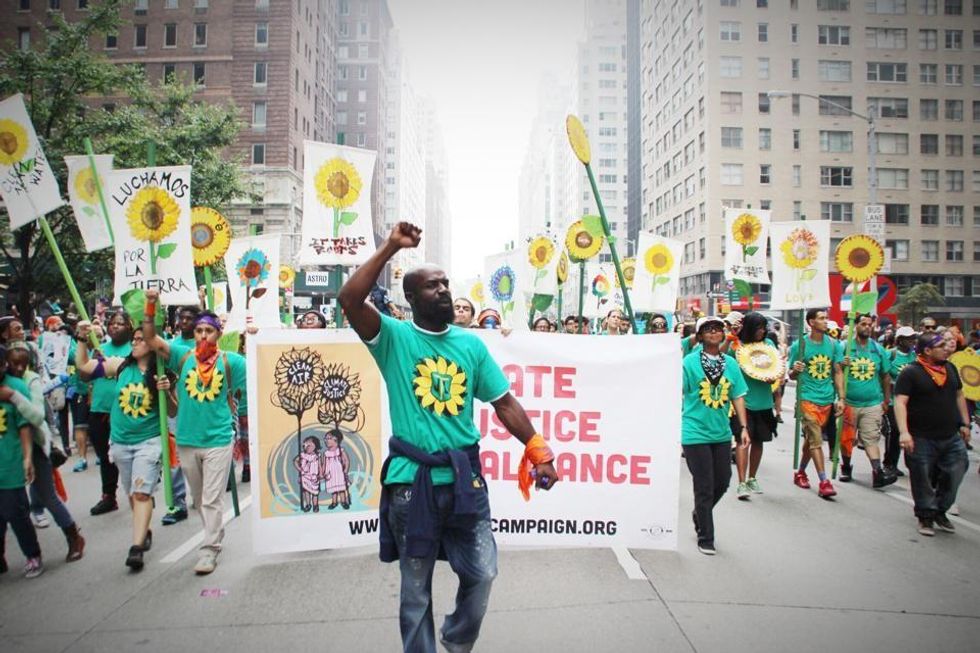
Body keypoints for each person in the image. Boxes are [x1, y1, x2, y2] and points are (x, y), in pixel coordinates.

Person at [338, 222, 558, 653]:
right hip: (410, 486)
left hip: (464, 482)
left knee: (482, 574)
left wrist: (538, 450)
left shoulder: (471, 346)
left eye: (446, 283)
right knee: (415, 589)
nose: (443, 291)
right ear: (411, 298)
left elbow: (505, 404)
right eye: (431, 285)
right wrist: (389, 247)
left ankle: (456, 643)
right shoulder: (393, 338)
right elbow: (349, 299)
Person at [141, 292, 247, 575]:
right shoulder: (181, 355)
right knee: (200, 500)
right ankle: (215, 533)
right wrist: (151, 305)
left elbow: (258, 378)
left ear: (218, 334)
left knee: (212, 500)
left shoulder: (232, 362)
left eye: (208, 331)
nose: (202, 335)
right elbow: (150, 338)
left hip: (219, 439)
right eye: (199, 330)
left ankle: (209, 549)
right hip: (187, 439)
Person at [76, 322, 171, 570]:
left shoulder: (162, 371)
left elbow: (173, 410)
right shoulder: (119, 366)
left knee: (141, 494)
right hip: (119, 443)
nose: (136, 342)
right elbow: (84, 367)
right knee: (133, 494)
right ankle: (144, 529)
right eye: (135, 339)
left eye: (141, 339)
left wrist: (166, 392)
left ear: (152, 344)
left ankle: (136, 547)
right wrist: (81, 339)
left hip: (148, 443)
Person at [4, 343, 85, 563]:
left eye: (24, 363)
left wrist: (13, 396)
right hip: (7, 448)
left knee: (48, 496)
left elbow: (37, 416)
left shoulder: (29, 381)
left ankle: (74, 537)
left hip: (36, 446)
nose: (19, 368)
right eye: (14, 364)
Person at [682, 316, 749, 555]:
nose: (713, 332)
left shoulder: (730, 364)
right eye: (708, 329)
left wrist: (743, 427)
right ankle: (706, 537)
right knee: (704, 485)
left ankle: (700, 512)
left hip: (721, 433)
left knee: (723, 481)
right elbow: (677, 391)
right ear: (699, 336)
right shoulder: (689, 362)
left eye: (718, 329)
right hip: (694, 432)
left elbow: (738, 395)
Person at [894, 333, 971, 536]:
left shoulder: (951, 369)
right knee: (922, 479)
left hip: (950, 435)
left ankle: (940, 509)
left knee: (957, 471)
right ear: (927, 351)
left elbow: (959, 395)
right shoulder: (911, 372)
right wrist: (904, 433)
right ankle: (926, 517)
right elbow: (900, 403)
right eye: (941, 345)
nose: (947, 348)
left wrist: (965, 423)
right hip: (921, 437)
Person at [788, 309, 844, 499]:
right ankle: (824, 481)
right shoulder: (799, 345)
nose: (825, 321)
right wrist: (795, 370)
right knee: (816, 440)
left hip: (826, 399)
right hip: (806, 398)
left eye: (826, 318)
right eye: (821, 318)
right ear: (811, 322)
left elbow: (837, 372)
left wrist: (841, 398)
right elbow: (791, 374)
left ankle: (801, 472)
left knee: (812, 441)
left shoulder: (834, 345)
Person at [838, 313, 896, 488]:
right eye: (863, 324)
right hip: (849, 403)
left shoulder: (878, 350)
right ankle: (846, 467)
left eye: (869, 324)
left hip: (872, 403)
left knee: (871, 438)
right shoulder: (844, 347)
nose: (867, 327)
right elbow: (836, 372)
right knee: (846, 439)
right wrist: (841, 365)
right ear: (855, 326)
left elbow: (886, 376)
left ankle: (877, 472)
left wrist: (886, 400)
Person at [0, 345, 43, 578]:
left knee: (16, 513)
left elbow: (25, 426)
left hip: (9, 462)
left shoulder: (15, 388)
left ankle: (32, 554)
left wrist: (27, 458)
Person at [86, 310, 133, 516]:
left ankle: (139, 493)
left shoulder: (134, 349)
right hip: (99, 409)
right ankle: (108, 495)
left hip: (125, 411)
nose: (114, 326)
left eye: (120, 323)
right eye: (112, 323)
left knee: (126, 455)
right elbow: (85, 376)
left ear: (129, 327)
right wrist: (93, 361)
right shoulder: (100, 349)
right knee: (105, 456)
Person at [729, 312, 777, 499]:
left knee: (758, 441)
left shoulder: (769, 345)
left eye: (764, 327)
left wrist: (773, 377)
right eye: (758, 327)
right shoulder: (738, 347)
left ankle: (752, 478)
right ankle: (741, 482)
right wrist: (732, 335)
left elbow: (776, 368)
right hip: (744, 403)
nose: (762, 331)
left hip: (764, 402)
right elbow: (725, 357)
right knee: (743, 441)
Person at [883, 326, 917, 477]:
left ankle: (912, 464)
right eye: (908, 338)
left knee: (911, 432)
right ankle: (890, 464)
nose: (911, 341)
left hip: (911, 402)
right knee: (894, 432)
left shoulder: (916, 356)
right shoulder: (891, 354)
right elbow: (883, 375)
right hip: (892, 401)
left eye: (913, 338)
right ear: (900, 340)